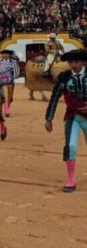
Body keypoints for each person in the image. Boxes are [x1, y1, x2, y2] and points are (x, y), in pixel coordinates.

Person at [44, 49, 87, 193]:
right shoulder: (64, 77)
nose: (73, 65)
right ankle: (71, 180)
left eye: (76, 62)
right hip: (72, 116)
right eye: (71, 62)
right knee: (71, 146)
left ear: (82, 62)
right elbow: (55, 97)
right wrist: (49, 118)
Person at [0, 49, 20, 117]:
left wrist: (11, 78)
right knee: (5, 96)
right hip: (2, 82)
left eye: (6, 54)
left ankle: (7, 108)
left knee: (10, 96)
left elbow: (17, 72)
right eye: (3, 54)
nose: (4, 55)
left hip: (10, 82)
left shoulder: (14, 62)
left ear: (9, 55)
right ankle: (6, 110)